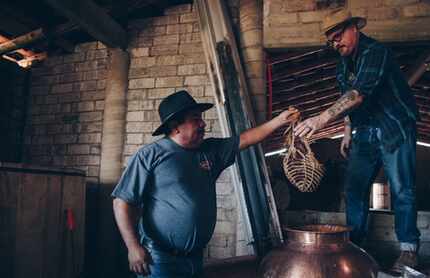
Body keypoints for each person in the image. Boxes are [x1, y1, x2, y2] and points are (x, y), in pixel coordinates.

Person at [112, 90, 299, 278]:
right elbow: (122, 202)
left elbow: (246, 139)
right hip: (159, 259)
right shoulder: (150, 156)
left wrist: (280, 120)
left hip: (195, 258)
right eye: (195, 119)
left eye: (201, 118)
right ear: (175, 126)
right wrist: (133, 248)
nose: (203, 123)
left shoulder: (210, 151)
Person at [294, 8, 420, 273]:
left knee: (401, 189)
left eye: (338, 36)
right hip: (364, 130)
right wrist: (347, 130)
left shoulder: (376, 52)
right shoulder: (343, 63)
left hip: (394, 126)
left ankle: (408, 250)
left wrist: (320, 119)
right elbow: (348, 101)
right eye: (331, 41)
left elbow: (359, 94)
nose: (335, 43)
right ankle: (355, 247)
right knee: (354, 189)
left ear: (354, 28)